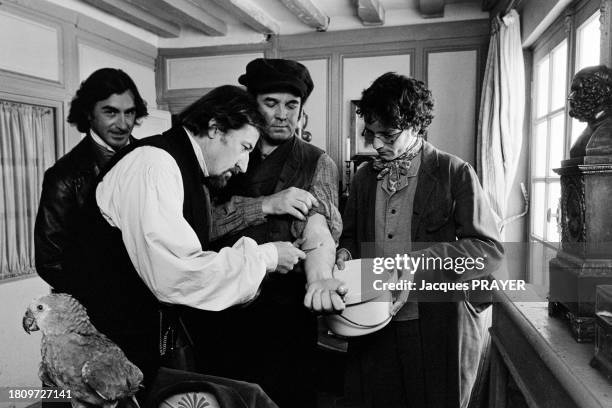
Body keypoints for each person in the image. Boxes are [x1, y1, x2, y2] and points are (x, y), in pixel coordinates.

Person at [62, 85, 306, 389]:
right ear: (215, 128)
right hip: (112, 342)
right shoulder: (153, 164)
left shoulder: (182, 165)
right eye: (244, 148)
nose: (243, 166)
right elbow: (177, 271)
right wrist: (267, 256)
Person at [337, 72, 504, 408]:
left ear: (415, 125)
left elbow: (489, 252)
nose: (377, 145)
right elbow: (352, 237)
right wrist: (343, 252)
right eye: (371, 134)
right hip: (371, 320)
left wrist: (414, 263)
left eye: (387, 135)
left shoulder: (454, 172)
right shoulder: (364, 178)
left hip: (433, 322)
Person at [188, 58, 346, 408]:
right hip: (221, 308)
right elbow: (200, 224)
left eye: (292, 105)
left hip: (285, 315)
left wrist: (320, 276)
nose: (282, 114)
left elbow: (318, 224)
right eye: (270, 103)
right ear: (251, 104)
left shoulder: (316, 162)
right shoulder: (223, 149)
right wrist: (265, 205)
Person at [35, 68, 147, 292]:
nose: (123, 124)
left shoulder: (151, 157)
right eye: (111, 112)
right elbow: (50, 262)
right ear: (88, 113)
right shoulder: (63, 176)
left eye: (130, 113)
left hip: (158, 304)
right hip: (103, 313)